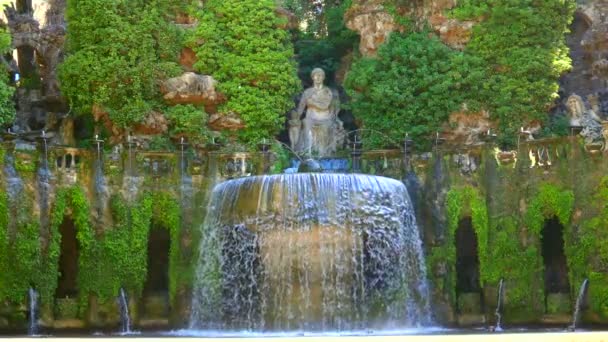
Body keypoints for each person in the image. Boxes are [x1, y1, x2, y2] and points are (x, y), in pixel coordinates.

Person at [295, 68, 342, 157]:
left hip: (325, 118)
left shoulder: (327, 91)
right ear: (312, 77)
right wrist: (297, 117)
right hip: (311, 118)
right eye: (316, 75)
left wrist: (312, 103)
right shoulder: (307, 92)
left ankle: (323, 153)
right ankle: (306, 151)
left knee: (326, 127)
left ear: (323, 77)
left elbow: (325, 105)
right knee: (306, 123)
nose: (318, 77)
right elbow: (301, 107)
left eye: (320, 75)